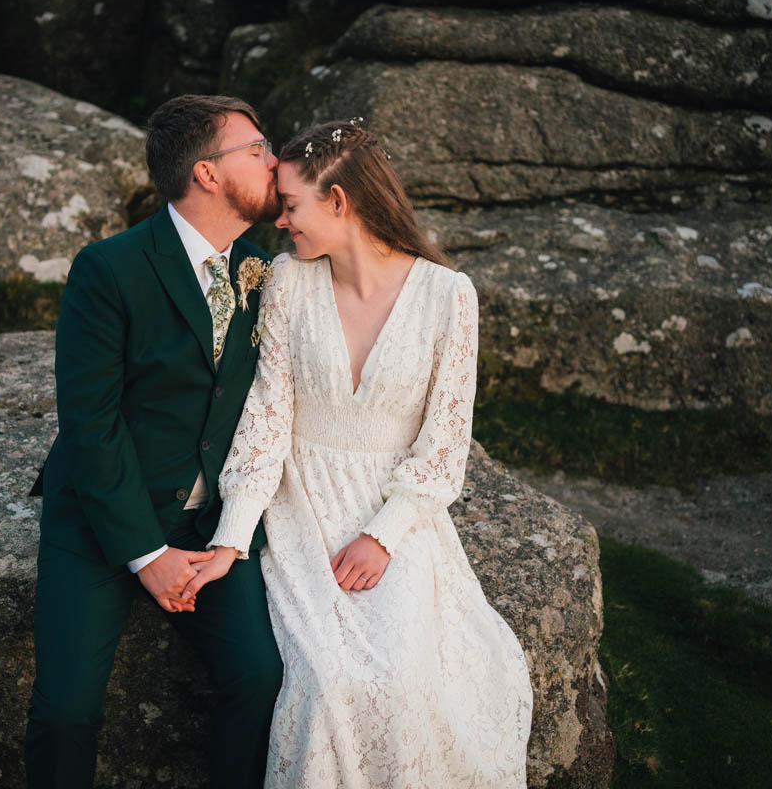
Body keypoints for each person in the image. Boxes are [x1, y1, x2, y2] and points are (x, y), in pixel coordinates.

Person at [181, 121, 535, 787]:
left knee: (405, 681)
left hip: (391, 510)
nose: (281, 223)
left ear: (339, 202)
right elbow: (265, 421)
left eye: (291, 206)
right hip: (301, 506)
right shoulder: (287, 282)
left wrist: (384, 535)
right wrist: (231, 539)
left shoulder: (447, 295)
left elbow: (444, 443)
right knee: (326, 682)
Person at [23, 94, 284, 789]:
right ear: (206, 173)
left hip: (210, 524)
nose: (274, 161)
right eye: (257, 149)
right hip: (103, 517)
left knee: (260, 678)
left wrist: (225, 536)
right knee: (68, 710)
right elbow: (91, 423)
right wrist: (145, 553)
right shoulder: (108, 269)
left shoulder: (262, 269)